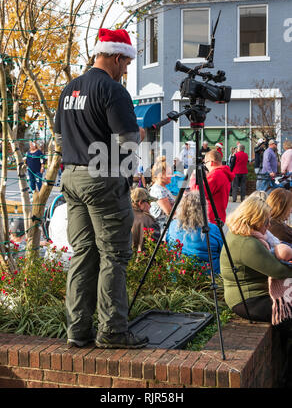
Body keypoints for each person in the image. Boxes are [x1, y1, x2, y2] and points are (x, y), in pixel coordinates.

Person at [54, 27, 148, 350]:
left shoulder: (69, 90)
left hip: (71, 179)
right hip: (101, 180)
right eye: (126, 63)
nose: (127, 70)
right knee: (115, 254)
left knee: (82, 253)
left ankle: (77, 331)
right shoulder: (113, 91)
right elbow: (129, 146)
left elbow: (60, 141)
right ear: (117, 56)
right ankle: (112, 331)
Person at [220, 195, 292, 325]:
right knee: (288, 312)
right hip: (249, 301)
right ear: (254, 220)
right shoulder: (247, 243)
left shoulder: (240, 234)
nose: (269, 225)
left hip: (251, 296)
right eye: (266, 221)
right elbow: (279, 271)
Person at [166, 191, 223, 274]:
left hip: (178, 273)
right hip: (208, 276)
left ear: (181, 208)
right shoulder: (212, 229)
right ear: (203, 208)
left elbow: (168, 246)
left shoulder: (173, 225)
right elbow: (223, 252)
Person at [190, 149, 235, 225]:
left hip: (211, 218)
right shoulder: (223, 173)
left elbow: (199, 193)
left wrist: (193, 179)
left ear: (211, 162)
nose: (205, 166)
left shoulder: (216, 175)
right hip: (218, 215)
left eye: (205, 163)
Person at [149, 156, 175, 231]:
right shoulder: (159, 190)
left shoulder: (161, 187)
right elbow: (169, 212)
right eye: (169, 173)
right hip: (162, 230)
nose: (171, 176)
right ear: (160, 174)